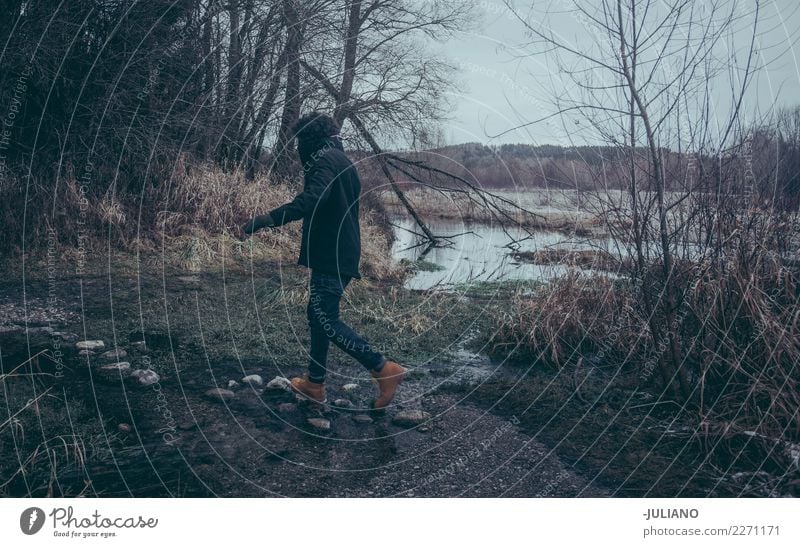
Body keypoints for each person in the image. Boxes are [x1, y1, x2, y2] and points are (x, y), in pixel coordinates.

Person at [238, 112, 406, 409]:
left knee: (325, 320)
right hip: (336, 251)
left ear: (310, 139)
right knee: (319, 318)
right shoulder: (340, 160)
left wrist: (267, 219)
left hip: (333, 253)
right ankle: (314, 384)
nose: (299, 148)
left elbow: (313, 198)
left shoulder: (326, 161)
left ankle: (382, 368)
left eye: (300, 141)